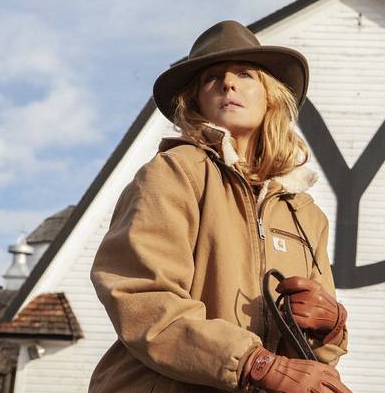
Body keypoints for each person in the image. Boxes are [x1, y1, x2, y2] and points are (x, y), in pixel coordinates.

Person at [89, 20, 351, 393]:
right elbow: (140, 295)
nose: (228, 83)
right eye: (213, 78)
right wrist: (254, 364)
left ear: (270, 96)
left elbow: (319, 355)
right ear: (196, 100)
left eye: (244, 74)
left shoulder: (306, 214)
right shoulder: (175, 172)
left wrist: (329, 327)